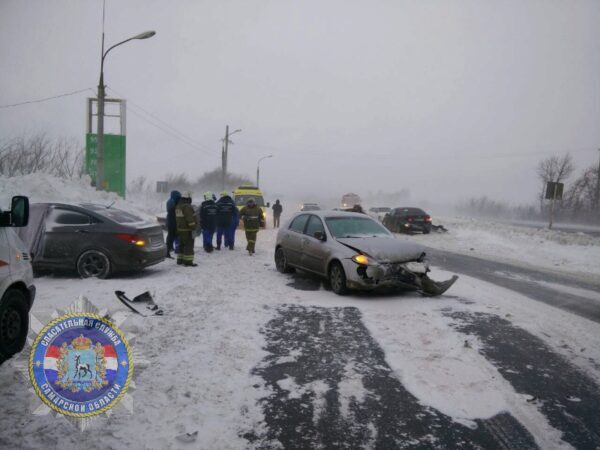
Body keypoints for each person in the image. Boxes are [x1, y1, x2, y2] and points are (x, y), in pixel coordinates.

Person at [175, 191, 198, 266]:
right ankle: (188, 262)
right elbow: (190, 218)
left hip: (180, 229)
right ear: (188, 198)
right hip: (187, 230)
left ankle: (180, 260)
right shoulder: (187, 206)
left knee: (181, 245)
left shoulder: (178, 206)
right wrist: (194, 227)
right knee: (188, 245)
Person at [165, 190, 181, 258]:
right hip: (174, 221)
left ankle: (168, 250)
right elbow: (178, 212)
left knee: (170, 236)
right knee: (176, 235)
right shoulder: (175, 202)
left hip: (170, 221)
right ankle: (175, 249)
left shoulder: (169, 201)